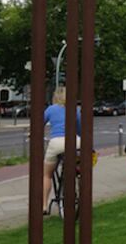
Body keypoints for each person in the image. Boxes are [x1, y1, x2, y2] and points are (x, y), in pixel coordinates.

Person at [42, 87, 81, 215]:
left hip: (57, 143)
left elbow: (39, 124)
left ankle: (44, 205)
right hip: (75, 141)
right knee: (78, 165)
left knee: (47, 174)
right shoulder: (75, 109)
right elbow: (79, 127)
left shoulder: (50, 109)